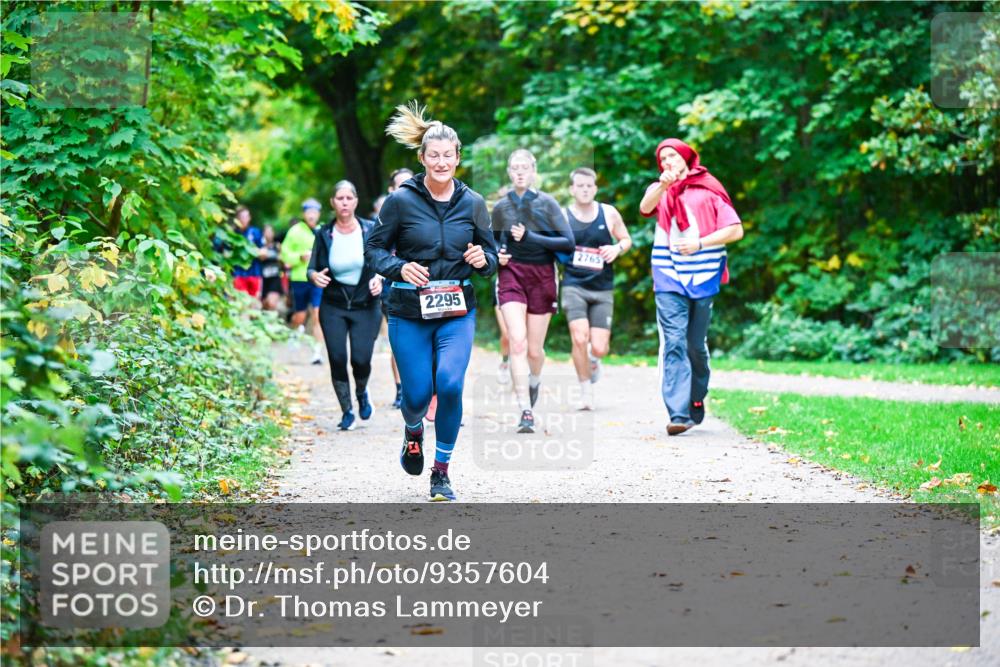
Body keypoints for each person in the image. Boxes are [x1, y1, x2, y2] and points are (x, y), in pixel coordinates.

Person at [366, 101, 498, 502]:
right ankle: (412, 431)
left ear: (458, 158)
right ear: (422, 158)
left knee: (451, 384)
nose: (441, 162)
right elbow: (374, 249)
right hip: (409, 312)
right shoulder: (401, 201)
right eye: (433, 155)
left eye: (448, 156)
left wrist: (483, 260)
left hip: (456, 310)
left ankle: (441, 472)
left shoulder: (473, 202)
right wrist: (399, 268)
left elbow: (491, 257)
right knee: (417, 395)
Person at [639, 138, 744, 435]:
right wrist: (662, 185)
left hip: (703, 274)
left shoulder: (709, 188)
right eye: (663, 158)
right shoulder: (660, 189)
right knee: (673, 342)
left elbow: (736, 230)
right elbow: (645, 206)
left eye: (673, 156)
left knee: (695, 346)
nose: (668, 161)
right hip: (667, 273)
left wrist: (699, 243)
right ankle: (678, 413)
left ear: (686, 158)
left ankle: (696, 397)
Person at [491, 149, 574, 433]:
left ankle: (534, 380)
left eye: (524, 167)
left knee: (535, 350)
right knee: (517, 341)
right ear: (509, 172)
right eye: (514, 168)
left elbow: (568, 243)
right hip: (511, 273)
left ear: (533, 171)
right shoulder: (501, 207)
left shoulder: (548, 204)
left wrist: (531, 237)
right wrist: (496, 256)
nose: (519, 172)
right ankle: (525, 410)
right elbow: (492, 243)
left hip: (542, 276)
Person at [308, 181, 384, 431]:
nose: (344, 202)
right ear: (332, 202)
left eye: (348, 198)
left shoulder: (370, 229)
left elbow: (383, 261)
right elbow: (311, 268)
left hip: (366, 303)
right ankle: (346, 410)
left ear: (356, 201)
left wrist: (379, 278)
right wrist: (314, 276)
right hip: (334, 305)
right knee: (338, 358)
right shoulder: (323, 233)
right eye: (339, 198)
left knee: (361, 359)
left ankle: (361, 392)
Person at [561, 167, 632, 410]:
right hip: (573, 286)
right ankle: (585, 392)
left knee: (600, 347)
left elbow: (626, 239)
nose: (584, 189)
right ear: (572, 189)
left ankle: (593, 360)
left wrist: (617, 249)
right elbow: (549, 247)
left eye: (589, 186)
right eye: (579, 185)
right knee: (579, 338)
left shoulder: (609, 213)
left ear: (595, 188)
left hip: (602, 288)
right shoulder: (562, 216)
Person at [380, 167, 415, 410]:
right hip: (394, 286)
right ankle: (401, 388)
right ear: (392, 190)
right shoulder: (388, 215)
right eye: (400, 185)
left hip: (427, 287)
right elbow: (376, 250)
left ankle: (434, 394)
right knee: (400, 343)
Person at [281, 199, 326, 365]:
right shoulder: (295, 231)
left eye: (315, 212)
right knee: (300, 315)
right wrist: (299, 257)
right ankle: (295, 331)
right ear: (304, 213)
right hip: (299, 277)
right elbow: (285, 255)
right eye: (309, 212)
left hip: (318, 278)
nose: (312, 215)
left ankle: (317, 353)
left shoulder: (323, 230)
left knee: (317, 314)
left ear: (319, 213)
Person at [231, 205, 267, 303]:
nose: (244, 220)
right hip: (238, 273)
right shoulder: (232, 234)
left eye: (246, 216)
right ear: (237, 219)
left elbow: (264, 252)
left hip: (254, 272)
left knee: (255, 304)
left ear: (249, 218)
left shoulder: (255, 232)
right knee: (242, 304)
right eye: (241, 217)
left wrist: (260, 253)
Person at [260, 223, 284, 312]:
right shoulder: (260, 246)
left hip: (275, 278)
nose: (268, 234)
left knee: (272, 303)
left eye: (270, 231)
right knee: (264, 305)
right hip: (263, 278)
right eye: (266, 232)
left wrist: (280, 258)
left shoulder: (277, 246)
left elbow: (283, 260)